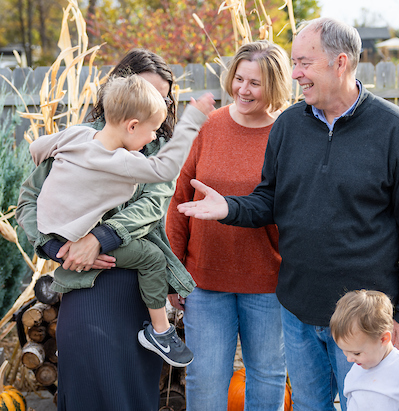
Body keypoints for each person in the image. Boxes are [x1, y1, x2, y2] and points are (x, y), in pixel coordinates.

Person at [177, 18, 399, 411]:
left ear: (339, 63)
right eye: (294, 63)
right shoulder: (290, 126)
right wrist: (230, 207)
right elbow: (269, 200)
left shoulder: (395, 131)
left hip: (364, 320)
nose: (295, 74)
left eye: (304, 63)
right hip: (297, 311)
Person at [16, 49, 190, 410]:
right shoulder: (76, 142)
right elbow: (28, 203)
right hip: (83, 283)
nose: (157, 101)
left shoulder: (157, 153)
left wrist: (98, 238)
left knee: (132, 392)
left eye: (164, 96)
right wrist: (57, 248)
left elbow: (151, 206)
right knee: (87, 388)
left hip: (138, 287)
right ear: (121, 90)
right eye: (148, 91)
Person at [29, 74, 215, 367]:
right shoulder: (120, 161)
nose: (154, 137)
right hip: (77, 238)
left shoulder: (76, 135)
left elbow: (38, 147)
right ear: (131, 126)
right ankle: (159, 332)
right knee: (153, 257)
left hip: (52, 233)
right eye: (152, 130)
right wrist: (192, 120)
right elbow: (165, 169)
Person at [165, 40, 290, 411]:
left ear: (275, 85)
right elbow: (178, 200)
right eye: (239, 79)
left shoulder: (287, 132)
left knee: (267, 374)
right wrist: (175, 272)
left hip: (268, 282)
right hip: (205, 281)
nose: (244, 90)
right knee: (205, 377)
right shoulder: (210, 127)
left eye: (256, 83)